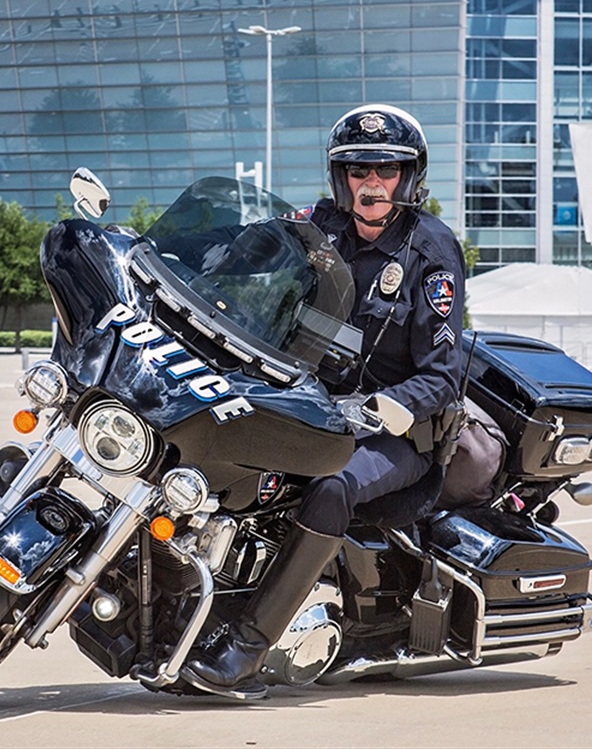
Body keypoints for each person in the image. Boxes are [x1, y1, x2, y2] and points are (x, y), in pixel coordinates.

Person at [181, 104, 466, 699]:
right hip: (309, 411)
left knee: (331, 485)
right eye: (358, 168)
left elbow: (442, 374)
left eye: (387, 170)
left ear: (409, 177)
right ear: (341, 177)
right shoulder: (318, 227)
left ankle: (247, 649)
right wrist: (176, 252)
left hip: (393, 433)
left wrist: (394, 406)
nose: (372, 182)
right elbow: (244, 248)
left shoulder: (431, 252)